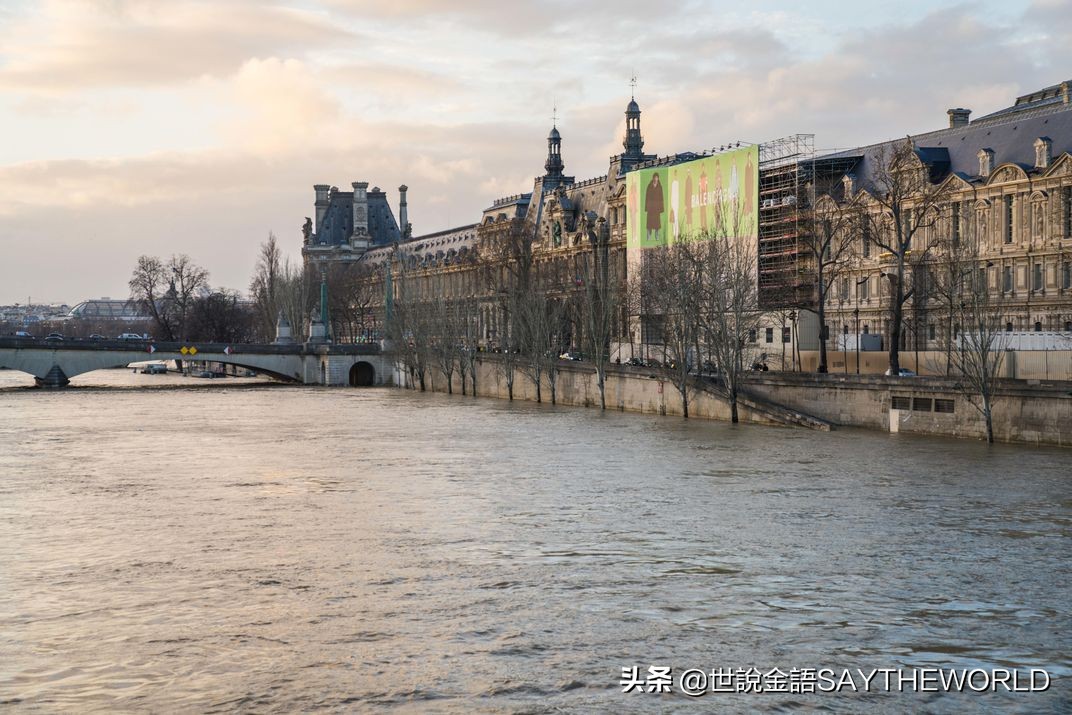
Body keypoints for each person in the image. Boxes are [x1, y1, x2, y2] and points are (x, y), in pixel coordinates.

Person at [644, 173, 665, 245]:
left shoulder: (660, 187)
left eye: (657, 178)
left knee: (657, 225)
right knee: (649, 224)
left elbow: (661, 198)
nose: (656, 179)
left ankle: (657, 237)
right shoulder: (649, 186)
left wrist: (661, 208)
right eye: (655, 178)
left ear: (658, 178)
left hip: (657, 209)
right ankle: (648, 237)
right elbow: (646, 198)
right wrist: (646, 208)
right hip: (650, 208)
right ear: (653, 178)